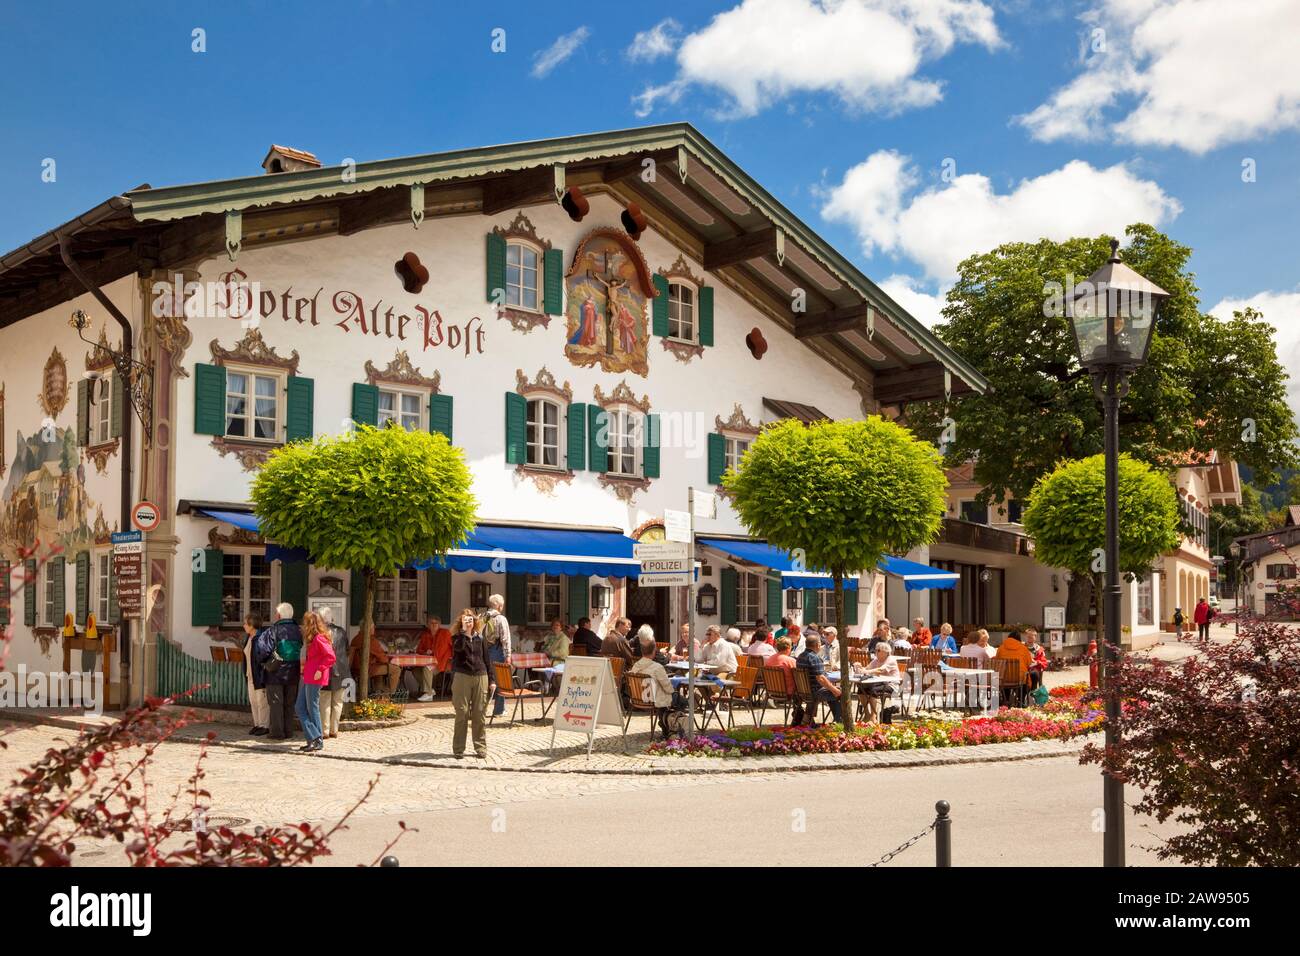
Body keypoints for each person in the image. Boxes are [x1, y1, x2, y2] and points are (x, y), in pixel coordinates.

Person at [254, 602, 303, 741]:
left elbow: (263, 651)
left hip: (275, 673)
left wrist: (263, 661)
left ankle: (276, 732)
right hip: (293, 672)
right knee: (289, 703)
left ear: (279, 615)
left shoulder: (273, 630)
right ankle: (288, 731)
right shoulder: (298, 631)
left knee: (276, 703)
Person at [450, 607, 489, 758]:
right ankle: (459, 748)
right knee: (462, 712)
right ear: (461, 622)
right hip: (462, 676)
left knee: (479, 713)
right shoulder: (457, 638)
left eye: (471, 619)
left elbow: (487, 660)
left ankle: (480, 747)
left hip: (481, 675)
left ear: (475, 621)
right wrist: (465, 633)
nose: (469, 622)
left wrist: (491, 679)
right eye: (466, 620)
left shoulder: (480, 638)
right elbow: (459, 650)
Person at [295, 611, 336, 753]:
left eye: (305, 623)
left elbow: (330, 657)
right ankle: (314, 737)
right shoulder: (313, 639)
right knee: (300, 707)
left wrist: (320, 669)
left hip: (315, 677)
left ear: (310, 624)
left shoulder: (319, 638)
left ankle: (316, 740)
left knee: (312, 708)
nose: (303, 625)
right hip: (308, 676)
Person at [629, 635, 679, 736]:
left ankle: (666, 723)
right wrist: (674, 690)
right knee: (681, 700)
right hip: (653, 699)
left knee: (668, 697)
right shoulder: (657, 667)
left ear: (642, 652)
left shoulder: (635, 666)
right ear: (653, 652)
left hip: (638, 699)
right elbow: (667, 687)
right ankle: (669, 727)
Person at [318, 606, 351, 738]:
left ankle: (324, 731)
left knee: (325, 701)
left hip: (326, 670)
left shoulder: (320, 633)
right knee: (338, 702)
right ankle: (334, 730)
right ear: (331, 618)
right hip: (342, 670)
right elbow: (346, 650)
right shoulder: (342, 631)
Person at [796, 633, 841, 725]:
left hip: (804, 691)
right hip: (815, 692)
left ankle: (808, 719)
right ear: (818, 645)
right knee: (840, 693)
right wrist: (834, 689)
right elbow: (820, 678)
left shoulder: (800, 656)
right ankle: (839, 722)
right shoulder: (814, 658)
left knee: (833, 691)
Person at [482, 593, 512, 718]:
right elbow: (505, 639)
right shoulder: (501, 619)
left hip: (482, 650)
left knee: (485, 679)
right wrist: (508, 655)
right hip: (496, 650)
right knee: (501, 679)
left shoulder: (482, 617)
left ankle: (480, 709)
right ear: (499, 606)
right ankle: (499, 710)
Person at [241, 612, 270, 737]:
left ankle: (265, 726)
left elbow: (264, 657)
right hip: (250, 674)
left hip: (259, 675)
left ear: (252, 625)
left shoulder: (261, 638)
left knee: (261, 702)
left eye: (245, 623)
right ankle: (257, 724)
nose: (243, 626)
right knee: (253, 701)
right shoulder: (249, 638)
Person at [858, 638, 901, 723]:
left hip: (891, 685)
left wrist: (866, 671)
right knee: (861, 688)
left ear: (885, 652)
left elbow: (880, 670)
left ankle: (873, 717)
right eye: (875, 650)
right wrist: (859, 667)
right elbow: (867, 668)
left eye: (878, 650)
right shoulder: (876, 659)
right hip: (879, 683)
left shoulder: (891, 660)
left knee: (872, 690)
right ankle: (867, 714)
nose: (875, 652)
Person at [413, 614, 453, 701]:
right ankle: (430, 690)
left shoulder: (445, 633)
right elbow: (419, 650)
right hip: (429, 662)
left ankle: (428, 694)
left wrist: (452, 660)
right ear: (428, 624)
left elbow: (453, 647)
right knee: (415, 670)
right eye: (431, 623)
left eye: (436, 623)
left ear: (439, 624)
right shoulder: (425, 635)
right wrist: (425, 652)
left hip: (442, 663)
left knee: (427, 668)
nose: (434, 625)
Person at [349, 629, 401, 695]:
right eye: (373, 627)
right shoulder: (370, 639)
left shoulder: (355, 639)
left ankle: (378, 692)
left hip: (355, 669)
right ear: (369, 628)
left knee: (380, 668)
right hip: (368, 669)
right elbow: (383, 658)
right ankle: (389, 693)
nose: (374, 629)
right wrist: (387, 660)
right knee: (396, 669)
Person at [1023, 627, 1049, 691]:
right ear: (1025, 637)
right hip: (1023, 669)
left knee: (1034, 674)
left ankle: (1032, 694)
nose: (1030, 638)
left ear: (1035, 637)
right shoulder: (1021, 647)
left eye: (1031, 637)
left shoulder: (1039, 649)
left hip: (1034, 670)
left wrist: (1037, 662)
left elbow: (1044, 663)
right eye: (1028, 636)